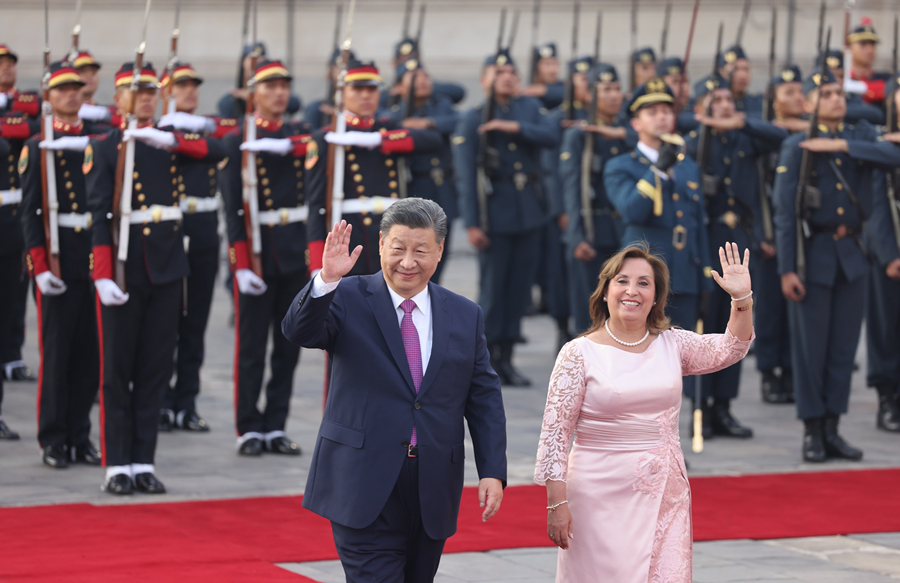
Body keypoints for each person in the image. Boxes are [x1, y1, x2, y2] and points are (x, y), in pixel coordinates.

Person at [281, 199, 507, 583]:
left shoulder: (465, 314)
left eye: (420, 250)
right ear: (381, 244)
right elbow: (299, 331)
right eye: (398, 249)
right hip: (363, 479)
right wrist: (326, 280)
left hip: (432, 481)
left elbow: (483, 396)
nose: (407, 262)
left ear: (439, 250)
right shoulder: (348, 297)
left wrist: (492, 471)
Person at [535, 242, 753, 582]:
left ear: (656, 297)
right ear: (605, 291)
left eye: (644, 283)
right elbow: (555, 437)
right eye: (622, 281)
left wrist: (741, 299)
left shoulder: (673, 344)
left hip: (665, 494)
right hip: (596, 499)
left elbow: (730, 348)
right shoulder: (577, 353)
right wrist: (555, 504)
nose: (632, 291)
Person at [86, 62, 225, 494]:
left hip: (167, 268)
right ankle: (116, 465)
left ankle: (143, 461)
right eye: (135, 91)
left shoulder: (170, 144)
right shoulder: (106, 146)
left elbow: (223, 149)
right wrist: (102, 274)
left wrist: (170, 137)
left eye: (150, 92)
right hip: (126, 269)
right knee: (117, 370)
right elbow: (99, 217)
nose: (145, 98)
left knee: (153, 370)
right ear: (119, 97)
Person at [772, 69, 900, 462]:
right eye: (826, 94)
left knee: (843, 350)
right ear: (810, 103)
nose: (836, 99)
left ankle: (833, 428)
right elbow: (785, 212)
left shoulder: (859, 137)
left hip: (852, 257)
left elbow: (893, 153)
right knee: (813, 350)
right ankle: (812, 429)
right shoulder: (798, 146)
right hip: (814, 254)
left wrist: (840, 144)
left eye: (839, 93)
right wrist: (787, 268)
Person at [604, 78, 714, 434]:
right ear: (636, 123)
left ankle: (677, 435)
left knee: (681, 358)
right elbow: (632, 209)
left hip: (686, 272)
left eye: (667, 111)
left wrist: (705, 272)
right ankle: (640, 431)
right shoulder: (622, 165)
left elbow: (696, 223)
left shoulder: (687, 166)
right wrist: (657, 171)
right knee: (645, 358)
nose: (662, 118)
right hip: (646, 280)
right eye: (652, 112)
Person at [221, 58, 315, 456]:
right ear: (252, 92)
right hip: (258, 253)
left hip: (294, 251)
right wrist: (239, 263)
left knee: (288, 346)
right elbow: (231, 208)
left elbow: (317, 148)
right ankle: (248, 427)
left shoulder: (299, 134)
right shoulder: (238, 139)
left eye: (284, 86)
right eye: (270, 86)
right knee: (251, 346)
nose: (279, 93)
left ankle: (275, 424)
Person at [686, 72, 788, 438]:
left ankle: (725, 406)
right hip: (708, 239)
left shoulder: (747, 138)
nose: (726, 106)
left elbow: (783, 136)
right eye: (717, 101)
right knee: (706, 326)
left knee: (737, 323)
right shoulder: (695, 143)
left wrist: (740, 121)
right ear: (701, 108)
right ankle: (701, 407)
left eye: (730, 100)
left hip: (740, 240)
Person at [454, 49, 558, 387]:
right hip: (493, 214)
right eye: (499, 72)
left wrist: (514, 127)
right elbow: (465, 175)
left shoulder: (529, 109)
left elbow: (551, 136)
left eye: (512, 71)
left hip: (529, 210)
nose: (507, 77)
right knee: (493, 290)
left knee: (519, 290)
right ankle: (485, 357)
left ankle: (507, 357)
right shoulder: (474, 117)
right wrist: (471, 222)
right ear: (485, 79)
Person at [19, 61, 102, 468]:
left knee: (90, 353)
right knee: (58, 352)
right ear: (48, 97)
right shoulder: (37, 145)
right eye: (62, 89)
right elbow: (29, 211)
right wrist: (40, 266)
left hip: (93, 252)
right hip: (59, 253)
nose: (72, 94)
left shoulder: (96, 140)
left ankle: (79, 434)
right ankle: (53, 437)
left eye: (76, 88)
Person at [306, 58, 442, 277]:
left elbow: (432, 140)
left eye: (372, 89)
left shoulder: (387, 128)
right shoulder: (327, 137)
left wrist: (379, 140)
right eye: (358, 89)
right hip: (351, 234)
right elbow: (316, 204)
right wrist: (315, 262)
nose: (366, 95)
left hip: (391, 232)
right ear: (342, 92)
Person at [157, 62, 236, 433]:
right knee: (165, 322)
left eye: (193, 85)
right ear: (165, 91)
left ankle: (186, 401)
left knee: (196, 320)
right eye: (181, 85)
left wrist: (180, 137)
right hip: (172, 230)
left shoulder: (204, 129)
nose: (190, 91)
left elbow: (220, 147)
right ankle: (159, 401)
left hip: (204, 229)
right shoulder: (157, 131)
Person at [558, 63, 628, 334]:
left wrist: (623, 133)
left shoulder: (626, 134)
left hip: (622, 232)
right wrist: (576, 237)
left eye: (617, 89)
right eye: (606, 89)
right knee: (589, 316)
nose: (614, 95)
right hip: (592, 232)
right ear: (590, 95)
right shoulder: (579, 135)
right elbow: (572, 189)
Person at [756, 64, 805, 404]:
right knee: (770, 308)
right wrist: (762, 231)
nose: (797, 97)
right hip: (771, 235)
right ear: (774, 102)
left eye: (800, 92)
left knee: (795, 307)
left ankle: (791, 368)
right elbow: (755, 189)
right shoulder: (763, 137)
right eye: (789, 93)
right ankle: (769, 371)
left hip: (802, 237)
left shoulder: (809, 134)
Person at [388, 60, 460, 283]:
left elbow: (458, 120)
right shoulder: (394, 113)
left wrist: (426, 123)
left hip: (443, 187)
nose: (422, 82)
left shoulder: (440, 106)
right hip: (414, 186)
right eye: (414, 79)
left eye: (425, 77)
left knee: (439, 251)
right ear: (399, 87)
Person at [0, 43, 39, 384]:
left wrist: (9, 115)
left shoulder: (24, 101)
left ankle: (11, 353)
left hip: (17, 208)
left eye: (10, 63)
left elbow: (31, 126)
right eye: (0, 64)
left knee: (15, 287)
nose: (6, 68)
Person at [864, 77, 900, 433]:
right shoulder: (881, 144)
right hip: (892, 249)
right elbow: (877, 205)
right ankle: (887, 398)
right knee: (887, 327)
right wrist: (889, 253)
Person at [846, 18, 890, 107]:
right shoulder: (844, 78)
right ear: (849, 46)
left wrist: (863, 88)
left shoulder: (885, 78)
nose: (870, 50)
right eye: (863, 44)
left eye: (873, 45)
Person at [717, 45, 763, 119]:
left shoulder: (759, 103)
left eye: (746, 69)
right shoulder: (715, 103)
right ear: (721, 72)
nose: (743, 76)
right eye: (735, 69)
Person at [521, 42, 564, 110]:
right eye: (547, 64)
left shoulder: (563, 87)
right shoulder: (528, 93)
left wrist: (543, 90)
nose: (552, 70)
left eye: (555, 64)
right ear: (536, 68)